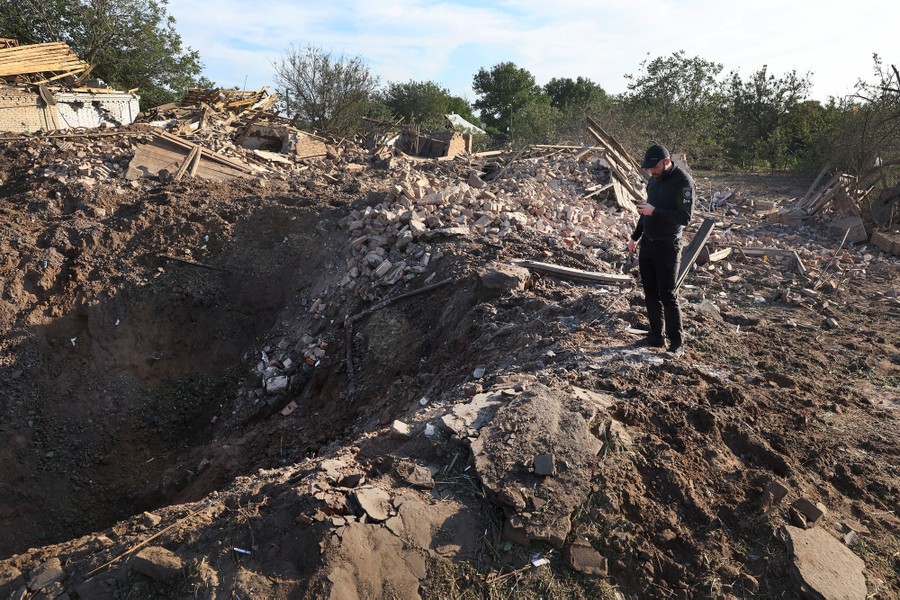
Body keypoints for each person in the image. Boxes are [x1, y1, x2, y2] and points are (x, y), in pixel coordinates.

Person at [626, 144, 694, 357]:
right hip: (648, 243)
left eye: (654, 167)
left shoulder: (683, 182)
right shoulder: (653, 180)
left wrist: (655, 211)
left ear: (666, 162)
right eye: (649, 169)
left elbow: (685, 218)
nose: (651, 172)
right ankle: (656, 335)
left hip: (668, 245)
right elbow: (646, 211)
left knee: (667, 294)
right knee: (650, 292)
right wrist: (635, 237)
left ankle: (676, 343)